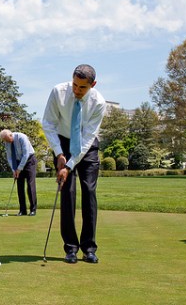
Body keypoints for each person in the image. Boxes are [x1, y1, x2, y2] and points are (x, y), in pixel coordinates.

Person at [42, 64, 106, 264]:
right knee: (67, 193)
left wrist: (69, 165)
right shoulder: (58, 92)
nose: (77, 90)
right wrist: (59, 153)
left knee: (88, 192)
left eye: (82, 88)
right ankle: (70, 248)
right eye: (75, 85)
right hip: (62, 142)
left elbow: (87, 139)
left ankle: (89, 248)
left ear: (92, 85)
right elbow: (48, 124)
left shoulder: (98, 103)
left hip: (87, 147)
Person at [0, 129, 38, 216]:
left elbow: (26, 154)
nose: (6, 142)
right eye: (5, 140)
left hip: (29, 161)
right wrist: (14, 170)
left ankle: (33, 209)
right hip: (17, 162)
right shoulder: (7, 142)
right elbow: (9, 157)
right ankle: (22, 210)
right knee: (20, 186)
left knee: (30, 185)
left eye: (7, 139)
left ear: (10, 135)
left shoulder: (21, 137)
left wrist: (19, 169)